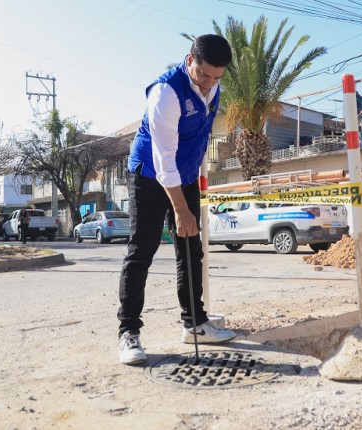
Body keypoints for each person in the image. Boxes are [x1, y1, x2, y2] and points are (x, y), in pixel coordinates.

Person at [117, 34, 235, 365]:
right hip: (150, 174)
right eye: (203, 75)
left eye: (216, 77)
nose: (209, 83)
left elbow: (196, 139)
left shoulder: (213, 87)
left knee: (190, 249)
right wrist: (181, 210)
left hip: (183, 176)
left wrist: (193, 187)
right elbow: (164, 159)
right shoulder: (165, 94)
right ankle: (129, 333)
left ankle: (195, 324)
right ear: (189, 61)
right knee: (142, 250)